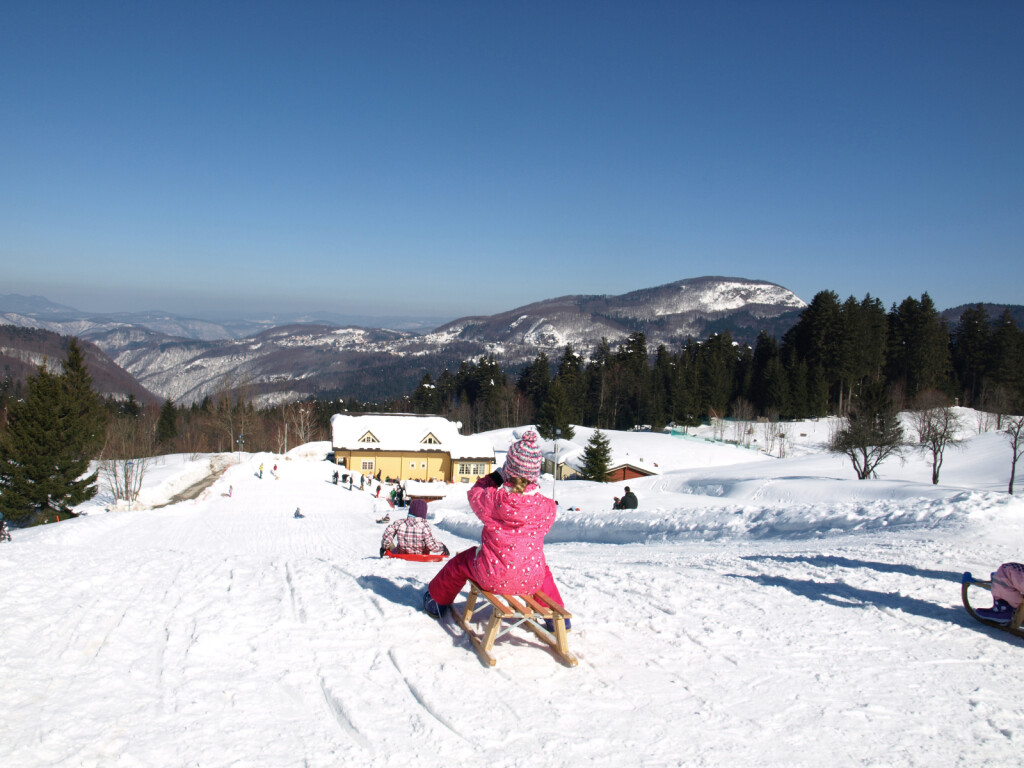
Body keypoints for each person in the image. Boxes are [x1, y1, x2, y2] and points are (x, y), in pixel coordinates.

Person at [424, 430, 568, 629]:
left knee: (460, 563)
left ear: (509, 469)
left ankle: (436, 601)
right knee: (540, 568)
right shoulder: (546, 507)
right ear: (535, 473)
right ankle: (559, 618)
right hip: (530, 579)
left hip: (490, 576)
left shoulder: (493, 500)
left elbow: (475, 492)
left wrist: (496, 477)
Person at [380, 499, 448, 557]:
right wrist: (443, 547)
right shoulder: (424, 527)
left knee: (390, 542)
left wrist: (384, 547)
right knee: (427, 542)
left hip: (401, 554)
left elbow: (388, 531)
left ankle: (387, 546)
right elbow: (433, 546)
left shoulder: (400, 523)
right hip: (420, 555)